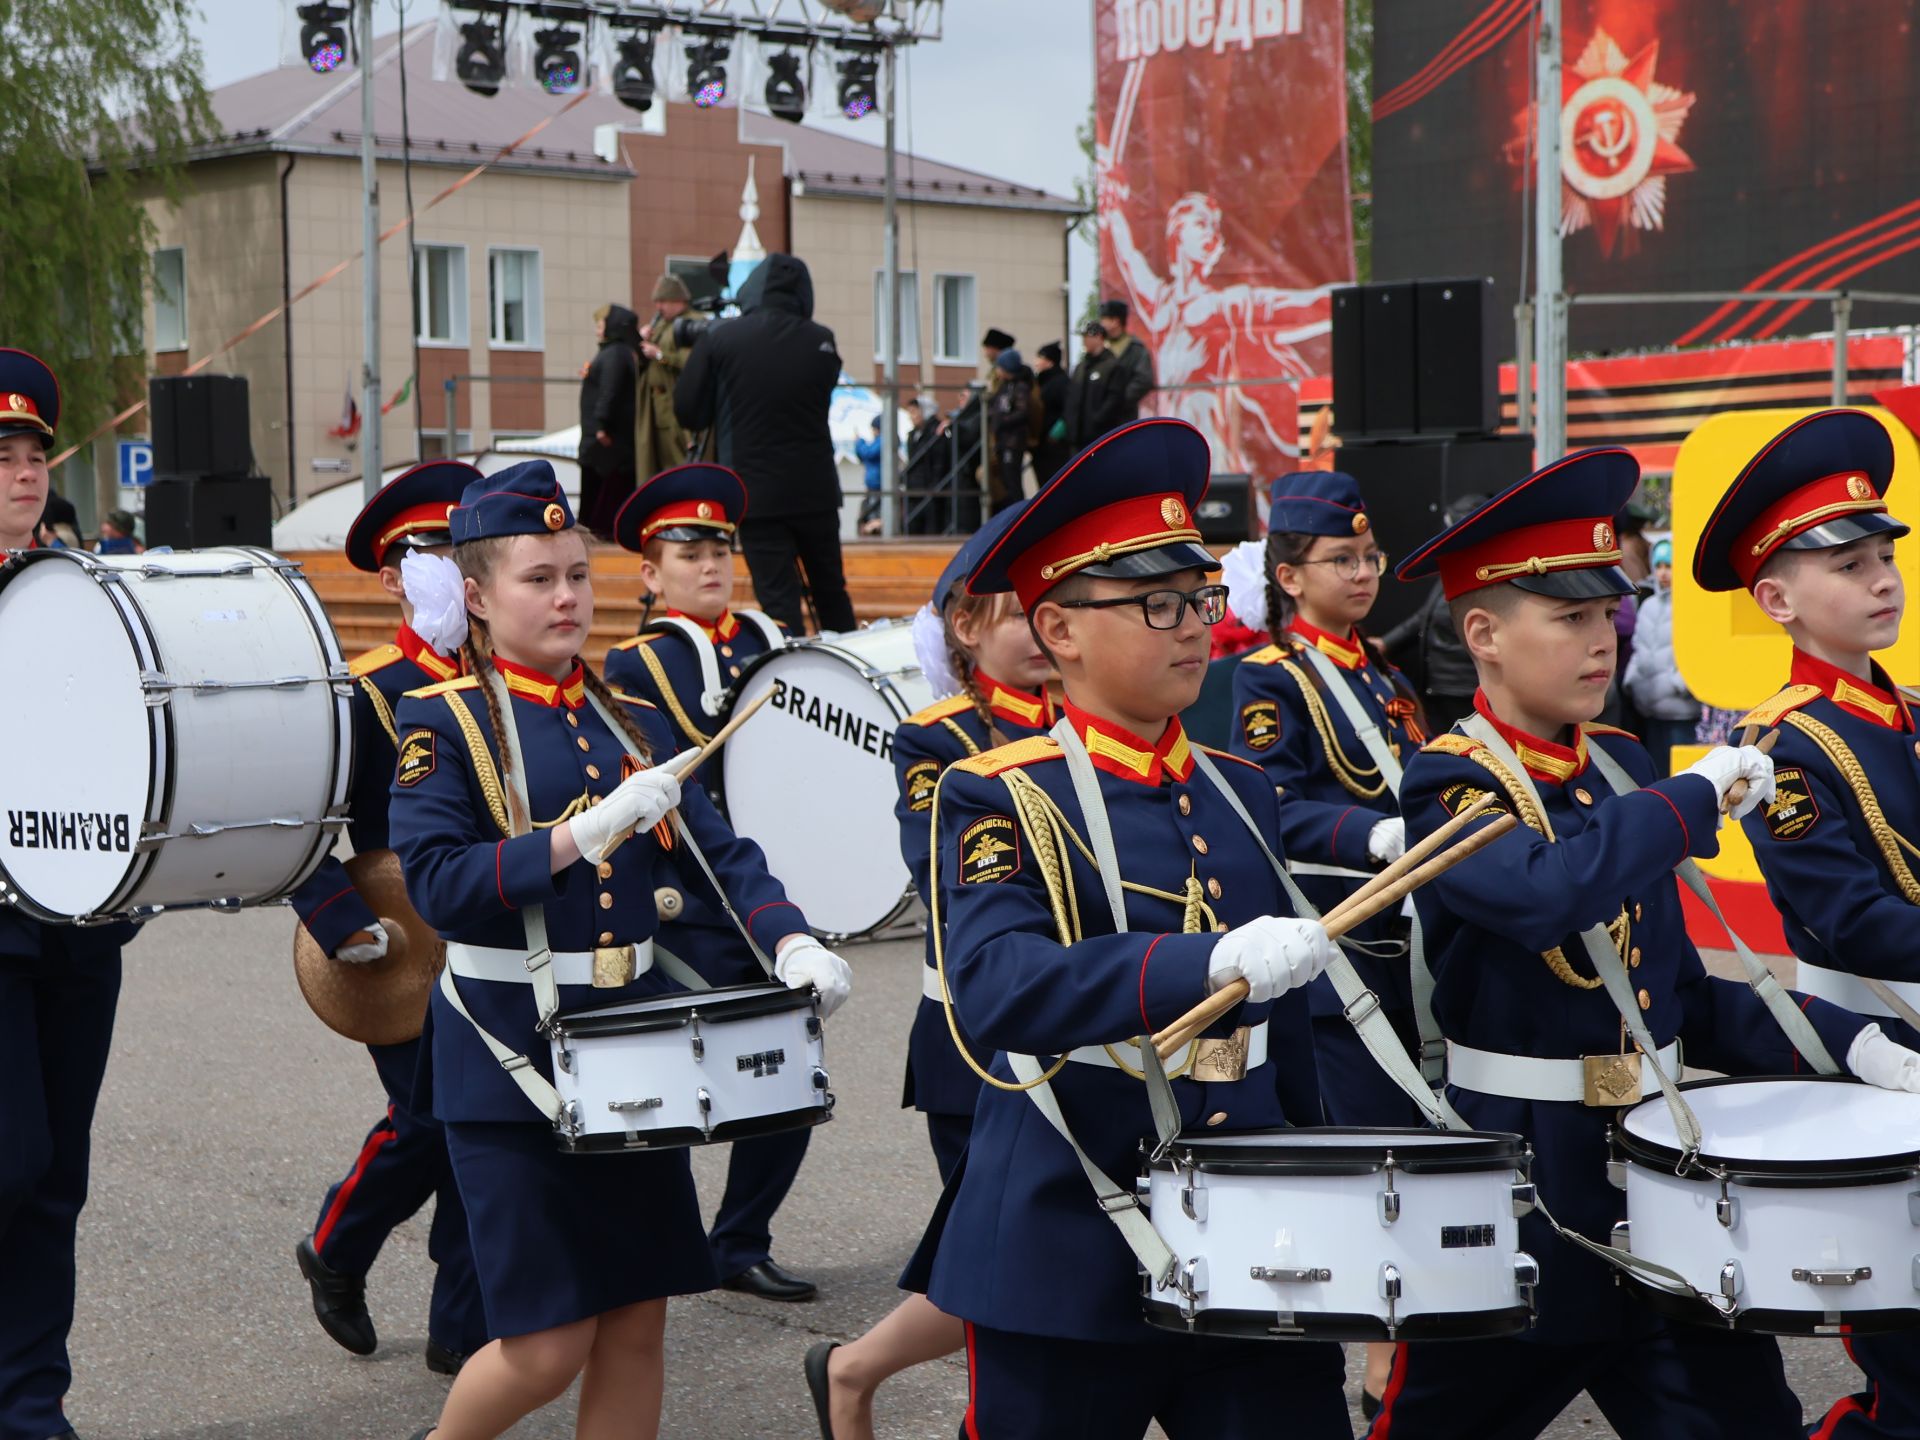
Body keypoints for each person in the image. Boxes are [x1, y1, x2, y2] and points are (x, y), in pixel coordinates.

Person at [1367, 446, 1920, 1440]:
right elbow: (1548, 895)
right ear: (1483, 633)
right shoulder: (1450, 784)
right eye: (1571, 618)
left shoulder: (1619, 767)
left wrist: (1856, 1044)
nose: (1604, 642)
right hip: (1520, 1210)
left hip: (1662, 1200)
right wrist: (1691, 795)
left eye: (1608, 615)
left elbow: (1685, 996)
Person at [386, 459, 852, 1440]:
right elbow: (437, 884)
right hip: (510, 1066)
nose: (565, 597)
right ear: (475, 595)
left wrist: (790, 939)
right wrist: (579, 836)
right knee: (545, 1346)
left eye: (576, 575)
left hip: (633, 1056)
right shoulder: (445, 721)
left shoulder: (617, 716)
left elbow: (722, 852)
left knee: (639, 1323)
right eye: (537, 577)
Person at [907, 418, 1350, 1438]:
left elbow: (1296, 1045)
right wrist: (1207, 962)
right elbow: (999, 984)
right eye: (1156, 603)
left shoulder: (1241, 789)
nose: (1194, 625)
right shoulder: (996, 795)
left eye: (1198, 597)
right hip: (1070, 1237)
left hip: (1252, 1238)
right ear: (1058, 630)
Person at [803, 500, 1054, 1440]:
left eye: (1057, 607)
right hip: (976, 1044)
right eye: (1024, 611)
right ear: (966, 623)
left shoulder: (1096, 722)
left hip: (1087, 1033)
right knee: (1009, 1267)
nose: (1047, 630)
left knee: (1004, 1254)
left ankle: (852, 1366)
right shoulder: (938, 740)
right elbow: (941, 872)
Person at [1694, 407, 1920, 1440]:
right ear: (1777, 600)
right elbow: (1850, 921)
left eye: (1884, 556)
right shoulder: (1784, 745)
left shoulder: (1909, 710)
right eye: (1849, 565)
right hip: (1885, 1061)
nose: (1882, 579)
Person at [1226, 472, 1426, 1419]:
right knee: (1365, 1158)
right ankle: (1378, 1358)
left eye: (1368, 556)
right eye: (1339, 559)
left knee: (1417, 1145)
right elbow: (1270, 804)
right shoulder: (1275, 677)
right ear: (1288, 575)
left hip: (1412, 941)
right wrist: (1371, 836)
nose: (1361, 572)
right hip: (1338, 953)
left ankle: (1401, 1344)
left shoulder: (1378, 669)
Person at [286, 461, 489, 1378]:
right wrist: (337, 925)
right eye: (431, 551)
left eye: (462, 547)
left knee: (486, 1128)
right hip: (397, 948)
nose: (450, 565)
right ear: (391, 576)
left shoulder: (505, 678)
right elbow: (300, 824)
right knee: (434, 1122)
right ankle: (339, 1244)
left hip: (489, 933)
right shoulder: (363, 692)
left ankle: (462, 1328)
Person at [602, 464, 819, 1305]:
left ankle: (739, 1241)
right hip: (689, 899)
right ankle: (663, 1244)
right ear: (651, 574)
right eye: (687, 551)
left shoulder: (769, 640)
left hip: (773, 888)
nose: (710, 564)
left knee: (791, 1072)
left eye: (720, 548)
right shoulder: (637, 663)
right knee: (680, 1082)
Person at [0, 350, 142, 1440]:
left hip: (79, 929)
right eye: (3, 453)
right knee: (11, 1164)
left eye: (36, 452)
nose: (22, 471)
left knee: (58, 1183)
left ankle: (34, 1402)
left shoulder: (92, 593)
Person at [674, 253, 854, 635]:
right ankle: (854, 671)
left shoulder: (721, 338)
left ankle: (792, 682)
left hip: (755, 493)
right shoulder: (822, 339)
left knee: (778, 600)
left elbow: (689, 411)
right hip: (816, 491)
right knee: (831, 592)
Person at [1620, 537, 1700, 776]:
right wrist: (1632, 681)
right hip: (1650, 708)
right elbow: (1639, 646)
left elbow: (1695, 649)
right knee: (1655, 774)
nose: (1663, 573)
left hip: (1681, 711)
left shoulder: (1690, 607)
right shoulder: (1648, 606)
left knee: (1681, 774)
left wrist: (1679, 684)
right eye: (1659, 566)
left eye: (1669, 566)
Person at [577, 303, 640, 537]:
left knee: (601, 497)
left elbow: (609, 391)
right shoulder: (615, 352)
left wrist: (602, 425)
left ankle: (599, 535)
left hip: (605, 442)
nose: (597, 330)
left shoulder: (615, 353)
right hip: (602, 440)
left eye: (601, 325)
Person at [636, 275, 701, 479]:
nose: (658, 307)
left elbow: (694, 359)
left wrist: (661, 355)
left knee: (682, 463)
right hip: (657, 407)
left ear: (678, 300)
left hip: (678, 406)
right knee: (661, 465)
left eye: (663, 301)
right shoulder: (661, 325)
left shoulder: (694, 323)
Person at [984, 349, 1035, 515]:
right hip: (1002, 441)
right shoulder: (1004, 388)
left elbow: (1022, 412)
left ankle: (1019, 515)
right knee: (1006, 481)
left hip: (1012, 442)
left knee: (1013, 481)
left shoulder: (1020, 388)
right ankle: (1010, 514)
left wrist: (1002, 420)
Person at [1063, 321, 1120, 450]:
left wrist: (1097, 420)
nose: (1084, 341)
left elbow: (1114, 399)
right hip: (1077, 439)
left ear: (1099, 337)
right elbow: (1071, 397)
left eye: (1087, 337)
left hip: (1099, 438)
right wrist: (1069, 422)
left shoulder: (1112, 366)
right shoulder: (1080, 367)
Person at [1097, 299, 1155, 426]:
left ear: (1115, 321)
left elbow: (1144, 380)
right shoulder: (1099, 347)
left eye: (1104, 319)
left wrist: (1116, 400)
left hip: (1124, 419)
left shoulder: (1136, 349)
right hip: (1098, 421)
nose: (1101, 324)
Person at [1030, 341, 1071, 483]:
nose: (1036, 362)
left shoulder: (1061, 382)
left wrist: (1056, 433)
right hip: (1040, 446)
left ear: (1050, 362)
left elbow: (1068, 411)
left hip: (1054, 447)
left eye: (1040, 358)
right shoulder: (1040, 383)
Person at [855, 415, 885, 536]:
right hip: (873, 487)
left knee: (874, 516)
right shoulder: (878, 441)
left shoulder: (883, 440)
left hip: (878, 487)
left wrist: (859, 442)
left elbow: (867, 453)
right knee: (868, 515)